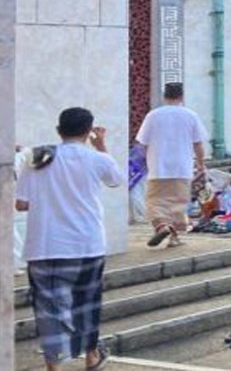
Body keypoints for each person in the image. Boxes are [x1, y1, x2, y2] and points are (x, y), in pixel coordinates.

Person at [18, 108, 123, 371]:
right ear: (89, 132)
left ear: (58, 130)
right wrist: (101, 146)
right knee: (87, 302)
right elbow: (116, 181)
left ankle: (54, 366)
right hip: (87, 243)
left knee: (48, 309)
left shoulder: (38, 157)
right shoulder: (98, 159)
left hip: (46, 245)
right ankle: (90, 356)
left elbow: (21, 204)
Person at [137, 83, 207, 248]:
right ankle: (174, 237)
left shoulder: (153, 116)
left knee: (155, 201)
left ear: (164, 96)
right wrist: (201, 164)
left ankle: (162, 226)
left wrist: (143, 162)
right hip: (182, 166)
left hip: (158, 165)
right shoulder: (191, 115)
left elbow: (142, 143)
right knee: (177, 204)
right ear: (182, 97)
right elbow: (198, 144)